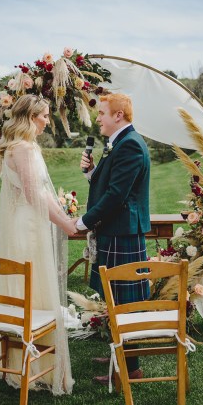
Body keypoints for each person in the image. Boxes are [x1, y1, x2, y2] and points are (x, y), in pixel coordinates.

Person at [0, 94, 76, 394]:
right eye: (44, 116)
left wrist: (64, 216)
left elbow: (42, 191)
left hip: (29, 221)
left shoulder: (25, 146)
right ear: (30, 117)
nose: (48, 121)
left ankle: (25, 358)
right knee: (34, 284)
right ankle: (33, 366)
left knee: (34, 285)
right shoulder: (23, 148)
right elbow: (32, 194)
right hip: (27, 226)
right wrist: (64, 224)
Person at [77, 92, 151, 382]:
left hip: (123, 233)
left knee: (124, 303)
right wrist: (92, 171)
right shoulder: (119, 142)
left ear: (118, 115)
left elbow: (117, 196)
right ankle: (118, 354)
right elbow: (111, 184)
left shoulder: (130, 144)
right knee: (113, 299)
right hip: (115, 231)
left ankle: (129, 370)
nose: (98, 119)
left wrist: (84, 222)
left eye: (102, 114)